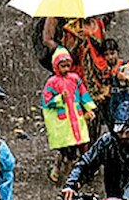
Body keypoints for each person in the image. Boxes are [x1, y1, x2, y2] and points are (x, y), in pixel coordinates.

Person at [62, 100, 129, 200]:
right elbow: (86, 163)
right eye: (119, 132)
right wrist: (72, 185)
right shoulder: (107, 142)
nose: (124, 136)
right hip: (115, 199)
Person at [41, 46, 99, 184]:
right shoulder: (52, 82)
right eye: (62, 66)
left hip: (77, 119)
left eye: (68, 65)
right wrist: (59, 99)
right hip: (64, 123)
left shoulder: (75, 79)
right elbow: (46, 100)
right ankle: (63, 173)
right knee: (66, 150)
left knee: (79, 146)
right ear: (56, 66)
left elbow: (84, 94)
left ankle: (72, 174)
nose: (66, 69)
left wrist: (89, 109)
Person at [103, 39, 129, 117]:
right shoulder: (104, 68)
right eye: (106, 55)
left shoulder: (124, 66)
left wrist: (125, 79)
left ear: (117, 52)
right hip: (109, 101)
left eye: (112, 53)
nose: (110, 57)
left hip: (123, 98)